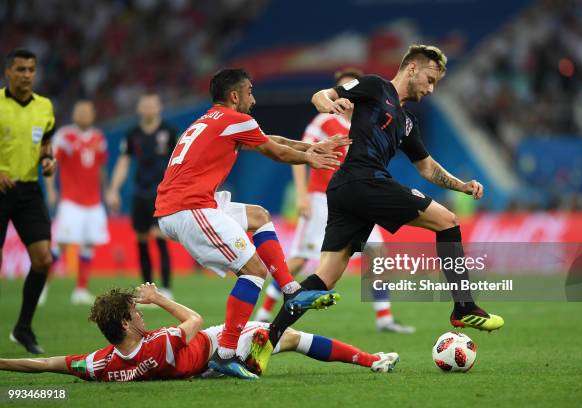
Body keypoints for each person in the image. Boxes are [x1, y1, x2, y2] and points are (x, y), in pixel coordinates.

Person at [266, 45, 505, 349]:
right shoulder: (375, 86)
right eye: (430, 80)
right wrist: (329, 104)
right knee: (448, 221)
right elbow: (321, 95)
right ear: (412, 69)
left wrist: (462, 186)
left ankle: (265, 338)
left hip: (345, 190)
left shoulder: (407, 123)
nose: (431, 89)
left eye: (436, 84)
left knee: (324, 277)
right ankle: (464, 307)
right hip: (364, 179)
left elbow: (428, 168)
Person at [153, 68, 347, 379]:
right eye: (250, 92)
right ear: (234, 96)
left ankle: (291, 290)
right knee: (254, 271)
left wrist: (312, 148)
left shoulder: (210, 121)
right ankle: (226, 354)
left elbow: (272, 140)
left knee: (259, 216)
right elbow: (275, 152)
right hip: (189, 208)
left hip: (189, 205)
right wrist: (310, 158)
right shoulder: (233, 120)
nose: (253, 99)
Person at [254, 69, 414, 334]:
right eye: (343, 90)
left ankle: (384, 318)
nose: (348, 96)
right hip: (321, 199)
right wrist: (302, 195)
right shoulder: (322, 122)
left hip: (360, 197)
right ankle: (263, 313)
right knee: (300, 260)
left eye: (352, 90)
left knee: (377, 254)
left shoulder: (367, 121)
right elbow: (299, 153)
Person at [0, 283, 400, 380]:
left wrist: (3, 363)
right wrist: (158, 298)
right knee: (290, 337)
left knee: (275, 337)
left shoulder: (101, 363)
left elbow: (48, 363)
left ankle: (242, 357)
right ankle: (372, 361)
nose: (141, 315)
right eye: (134, 312)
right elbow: (191, 322)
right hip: (211, 345)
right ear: (124, 323)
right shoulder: (156, 343)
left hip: (195, 367)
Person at [0, 48, 56, 354]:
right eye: (20, 69)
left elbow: (45, 143)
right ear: (8, 72)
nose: (26, 75)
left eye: (31, 70)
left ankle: (22, 328)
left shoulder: (45, 107)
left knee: (44, 259)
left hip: (29, 190)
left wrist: (48, 161)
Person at [106, 94, 177, 299]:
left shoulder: (169, 131)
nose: (148, 108)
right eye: (144, 105)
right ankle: (147, 289)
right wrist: (113, 189)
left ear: (159, 107)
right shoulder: (132, 134)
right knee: (142, 239)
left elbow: (180, 161)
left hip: (162, 193)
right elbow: (123, 161)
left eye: (152, 105)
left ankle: (166, 288)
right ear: (138, 108)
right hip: (140, 192)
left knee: (160, 237)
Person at [45, 100, 108, 305]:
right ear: (74, 114)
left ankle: (80, 290)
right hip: (71, 201)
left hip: (94, 202)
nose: (84, 115)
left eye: (87, 111)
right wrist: (51, 190)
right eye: (80, 111)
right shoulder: (64, 136)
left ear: (93, 114)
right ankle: (42, 286)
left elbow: (100, 168)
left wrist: (106, 192)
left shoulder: (99, 138)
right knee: (62, 244)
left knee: (89, 244)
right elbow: (51, 163)